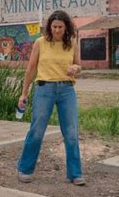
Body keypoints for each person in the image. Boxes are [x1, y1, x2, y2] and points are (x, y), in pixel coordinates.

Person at [17, 10, 85, 186]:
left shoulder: (71, 43)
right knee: (37, 131)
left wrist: (75, 69)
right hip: (44, 89)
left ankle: (75, 173)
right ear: (49, 26)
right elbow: (31, 69)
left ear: (66, 27)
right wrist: (23, 93)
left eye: (60, 27)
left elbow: (79, 66)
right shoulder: (41, 43)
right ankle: (25, 169)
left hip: (66, 90)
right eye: (54, 26)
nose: (57, 30)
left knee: (71, 133)